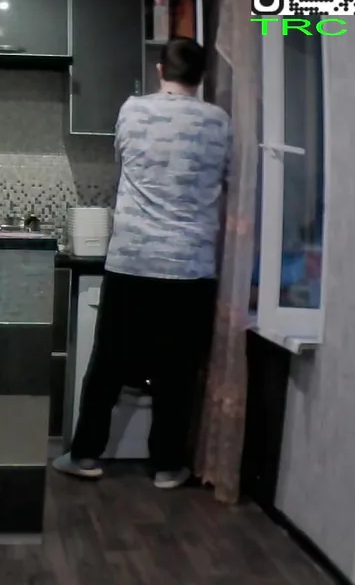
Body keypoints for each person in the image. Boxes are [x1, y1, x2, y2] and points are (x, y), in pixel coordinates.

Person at [52, 37, 231, 490]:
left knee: (109, 362)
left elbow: (126, 158)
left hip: (133, 259)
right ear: (202, 77)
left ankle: (86, 455)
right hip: (190, 267)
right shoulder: (219, 121)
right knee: (176, 371)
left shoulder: (133, 110)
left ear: (159, 70)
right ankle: (168, 466)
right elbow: (224, 177)